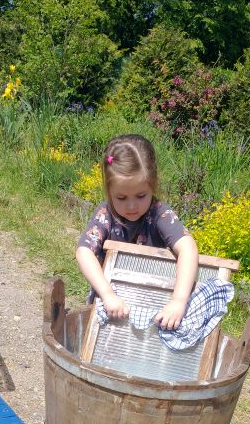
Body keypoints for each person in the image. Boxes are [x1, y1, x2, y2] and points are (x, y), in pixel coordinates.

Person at [76, 134, 199, 330]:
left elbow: (188, 249)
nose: (132, 206)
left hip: (152, 309)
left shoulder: (159, 214)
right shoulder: (105, 214)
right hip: (111, 308)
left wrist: (178, 301)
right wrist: (107, 294)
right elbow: (84, 252)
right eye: (121, 197)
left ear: (153, 185)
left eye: (141, 195)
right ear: (109, 191)